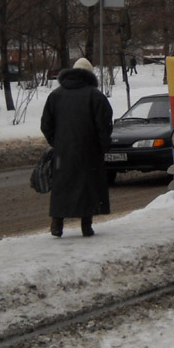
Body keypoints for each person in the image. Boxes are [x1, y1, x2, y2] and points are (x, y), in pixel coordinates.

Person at [40, 57, 113, 238]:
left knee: (62, 187)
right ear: (89, 75)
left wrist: (57, 142)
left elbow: (46, 124)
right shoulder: (95, 96)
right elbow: (104, 125)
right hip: (90, 151)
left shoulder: (55, 95)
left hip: (63, 151)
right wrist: (103, 146)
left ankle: (57, 223)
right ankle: (86, 226)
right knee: (87, 186)